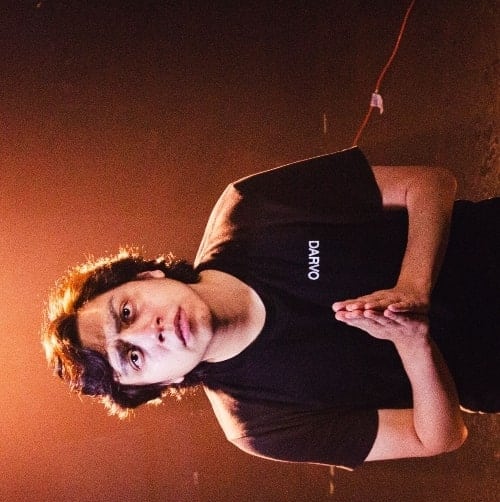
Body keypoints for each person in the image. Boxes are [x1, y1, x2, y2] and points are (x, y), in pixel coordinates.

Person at [42, 147, 499, 469]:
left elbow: (429, 184)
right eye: (133, 357)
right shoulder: (257, 425)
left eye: (126, 313)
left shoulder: (248, 208)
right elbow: (439, 436)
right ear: (162, 384)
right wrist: (414, 345)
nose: (150, 332)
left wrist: (413, 285)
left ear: (146, 277)